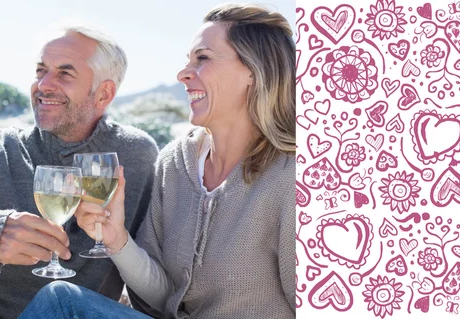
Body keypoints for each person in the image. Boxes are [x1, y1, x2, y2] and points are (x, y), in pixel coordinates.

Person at [21, 3, 295, 318]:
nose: (183, 73)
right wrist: (117, 239)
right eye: (187, 60)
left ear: (253, 70)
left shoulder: (293, 176)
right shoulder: (176, 162)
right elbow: (166, 296)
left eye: (203, 58)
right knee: (61, 298)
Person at [0, 25, 159, 318]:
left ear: (103, 94)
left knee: (59, 299)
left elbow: (153, 271)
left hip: (73, 312)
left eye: (65, 73)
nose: (43, 85)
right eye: (41, 70)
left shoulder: (136, 155)